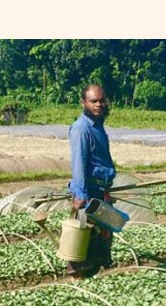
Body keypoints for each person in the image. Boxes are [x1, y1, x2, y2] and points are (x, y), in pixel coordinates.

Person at [67, 84, 117, 278]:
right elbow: (79, 163)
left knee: (101, 240)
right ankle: (79, 279)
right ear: (84, 103)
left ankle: (95, 274)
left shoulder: (98, 126)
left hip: (101, 190)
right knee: (84, 239)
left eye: (101, 100)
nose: (99, 104)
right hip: (89, 192)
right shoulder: (81, 128)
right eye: (93, 101)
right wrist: (80, 195)